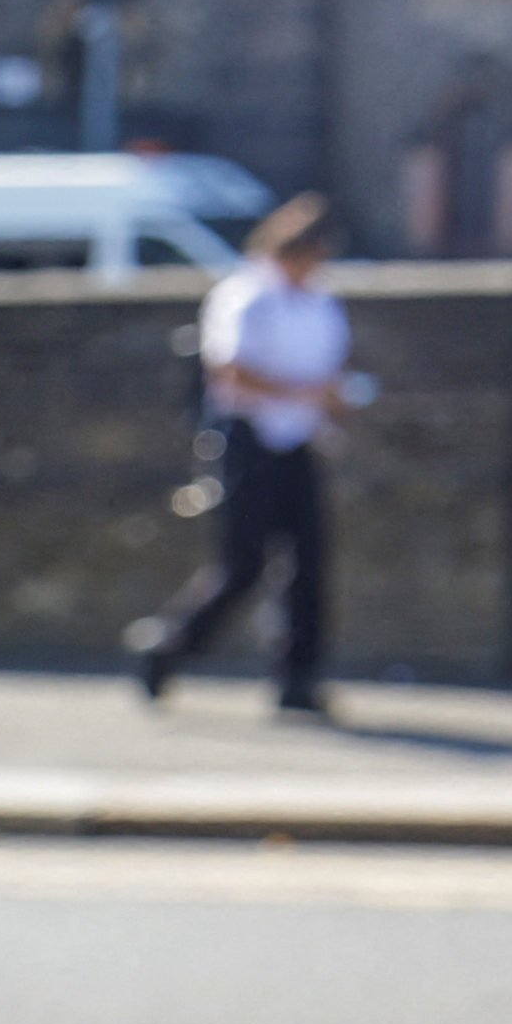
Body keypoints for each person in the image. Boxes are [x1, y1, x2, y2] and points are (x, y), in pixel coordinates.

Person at [127, 193, 357, 714]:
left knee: (310, 563)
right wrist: (305, 393)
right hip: (247, 438)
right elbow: (230, 372)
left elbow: (330, 373)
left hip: (298, 441)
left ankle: (297, 678)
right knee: (242, 565)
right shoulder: (246, 296)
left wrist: (329, 403)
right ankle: (167, 647)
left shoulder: (321, 303)